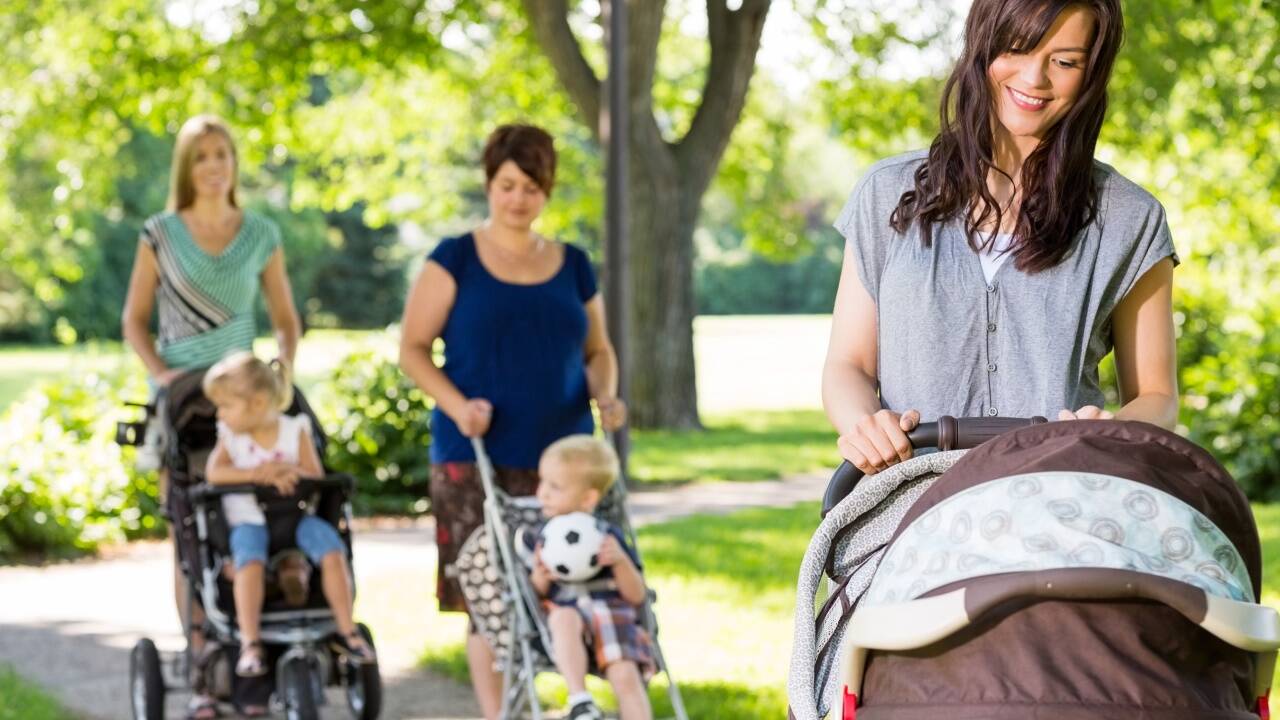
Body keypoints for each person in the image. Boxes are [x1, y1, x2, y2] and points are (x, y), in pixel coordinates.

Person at [822, 0, 1178, 476]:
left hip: (1060, 498)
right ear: (982, 46)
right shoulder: (886, 193)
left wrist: (1105, 432)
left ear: (1092, 73)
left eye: (1065, 61)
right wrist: (865, 426)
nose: (1035, 79)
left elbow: (1157, 398)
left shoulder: (1131, 219)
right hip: (909, 503)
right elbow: (848, 365)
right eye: (1017, 48)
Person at [399, 123, 627, 719]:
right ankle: (502, 714)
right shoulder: (453, 259)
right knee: (491, 601)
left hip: (565, 465)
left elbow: (598, 351)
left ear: (546, 190)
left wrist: (607, 394)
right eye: (506, 185)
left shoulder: (573, 264)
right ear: (488, 184)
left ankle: (582, 695)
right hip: (473, 459)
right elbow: (413, 349)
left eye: (531, 186)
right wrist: (458, 406)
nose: (518, 199)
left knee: (569, 585)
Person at [120, 114, 303, 720]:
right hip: (184, 399)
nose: (214, 166)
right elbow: (134, 320)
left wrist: (282, 370)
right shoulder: (161, 233)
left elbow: (284, 318)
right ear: (187, 167)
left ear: (234, 163)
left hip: (247, 393)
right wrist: (164, 375)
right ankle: (203, 660)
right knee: (190, 533)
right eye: (202, 156)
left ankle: (268, 639)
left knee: (268, 514)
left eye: (223, 154)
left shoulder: (261, 233)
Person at [202, 353, 374, 706]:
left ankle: (346, 628)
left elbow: (314, 472)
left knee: (331, 549)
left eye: (225, 406)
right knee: (248, 560)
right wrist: (256, 474)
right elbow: (214, 475)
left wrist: (288, 471)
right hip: (249, 522)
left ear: (258, 402)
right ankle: (251, 643)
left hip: (296, 519)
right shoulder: (230, 438)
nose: (219, 414)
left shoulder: (295, 430)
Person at [524, 435, 653, 720]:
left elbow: (636, 595)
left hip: (611, 619)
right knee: (562, 617)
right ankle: (580, 701)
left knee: (626, 677)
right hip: (566, 626)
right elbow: (533, 596)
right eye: (542, 482)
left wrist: (619, 561)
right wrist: (540, 577)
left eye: (554, 487)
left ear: (588, 498)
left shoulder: (607, 535)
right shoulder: (541, 538)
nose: (542, 493)